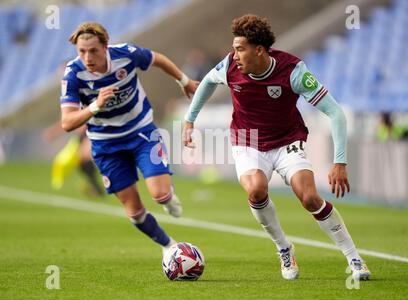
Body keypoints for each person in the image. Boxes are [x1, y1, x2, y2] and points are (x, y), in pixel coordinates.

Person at [182, 14, 370, 280]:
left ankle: (354, 258)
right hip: (248, 140)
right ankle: (284, 247)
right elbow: (207, 84)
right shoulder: (229, 67)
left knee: (309, 198)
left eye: (239, 49)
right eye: (234, 48)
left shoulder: (293, 71)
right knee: (256, 189)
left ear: (259, 50)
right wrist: (189, 120)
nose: (234, 55)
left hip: (286, 141)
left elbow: (336, 112)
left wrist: (340, 162)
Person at [60, 22, 198, 254]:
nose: (87, 57)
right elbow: (67, 122)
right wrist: (95, 106)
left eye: (93, 50)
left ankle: (168, 197)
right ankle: (169, 247)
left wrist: (184, 81)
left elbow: (158, 60)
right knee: (134, 211)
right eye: (81, 51)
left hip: (141, 132)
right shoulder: (73, 74)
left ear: (105, 46)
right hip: (105, 145)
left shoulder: (126, 54)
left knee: (161, 195)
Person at [43, 122, 104, 196]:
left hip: (94, 133)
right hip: (83, 136)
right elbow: (66, 122)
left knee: (86, 157)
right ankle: (96, 186)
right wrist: (54, 132)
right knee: (82, 161)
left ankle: (101, 184)